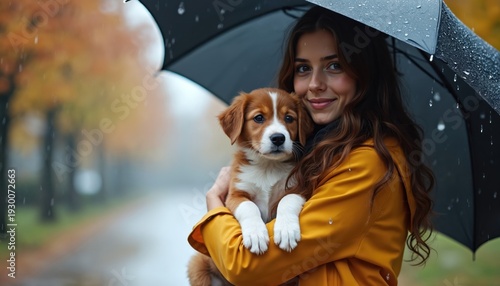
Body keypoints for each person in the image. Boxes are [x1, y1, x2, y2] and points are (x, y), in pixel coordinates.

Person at [188, 6, 434, 286]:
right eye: (303, 68)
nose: (315, 84)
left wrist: (215, 207)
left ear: (364, 74)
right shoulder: (324, 149)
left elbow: (245, 266)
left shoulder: (366, 164)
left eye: (334, 65)